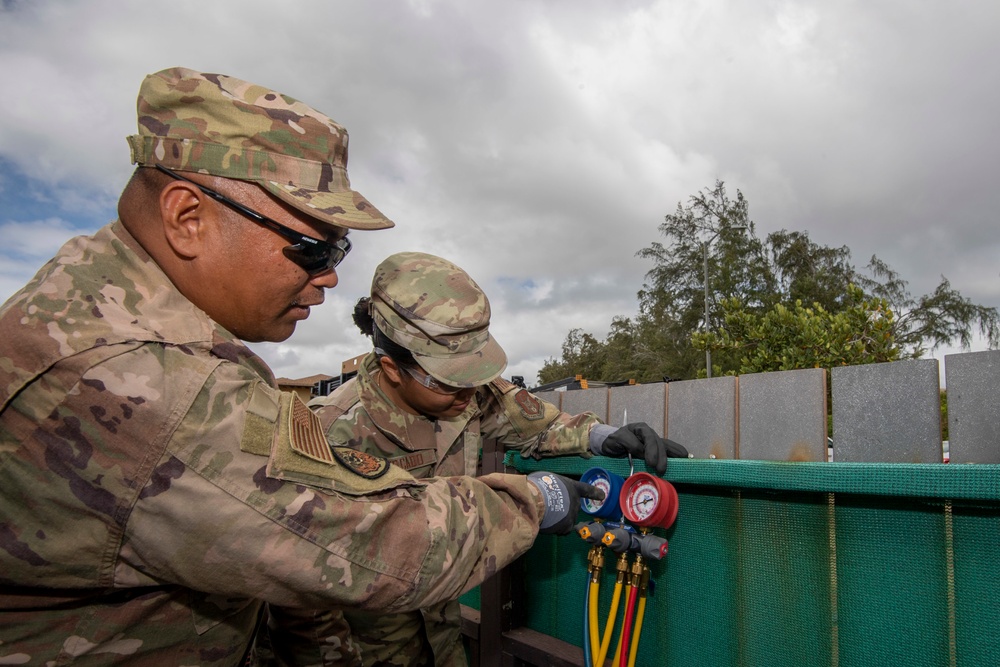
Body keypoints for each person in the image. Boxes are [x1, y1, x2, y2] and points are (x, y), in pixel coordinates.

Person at [0, 67, 601, 666]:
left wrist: (593, 434)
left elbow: (505, 409)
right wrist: (538, 500)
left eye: (339, 250)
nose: (331, 276)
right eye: (313, 248)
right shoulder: (145, 380)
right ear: (188, 218)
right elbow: (376, 546)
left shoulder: (94, 301)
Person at [309, 251, 689, 667]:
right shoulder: (329, 435)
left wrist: (604, 437)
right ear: (393, 368)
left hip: (442, 634)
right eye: (452, 383)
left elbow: (537, 424)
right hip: (364, 648)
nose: (469, 395)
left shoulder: (463, 393)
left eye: (473, 378)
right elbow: (307, 597)